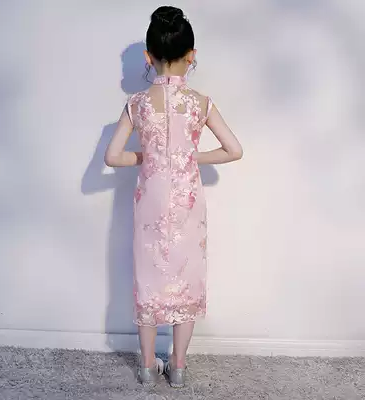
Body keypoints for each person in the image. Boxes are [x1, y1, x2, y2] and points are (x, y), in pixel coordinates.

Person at [105, 5, 243, 388]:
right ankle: (179, 367)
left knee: (148, 279)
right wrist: (191, 156)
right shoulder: (201, 103)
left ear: (148, 57)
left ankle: (148, 367)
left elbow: (112, 157)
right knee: (188, 278)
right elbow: (234, 150)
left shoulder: (137, 104)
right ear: (191, 55)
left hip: (149, 203)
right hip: (188, 204)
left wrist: (148, 157)